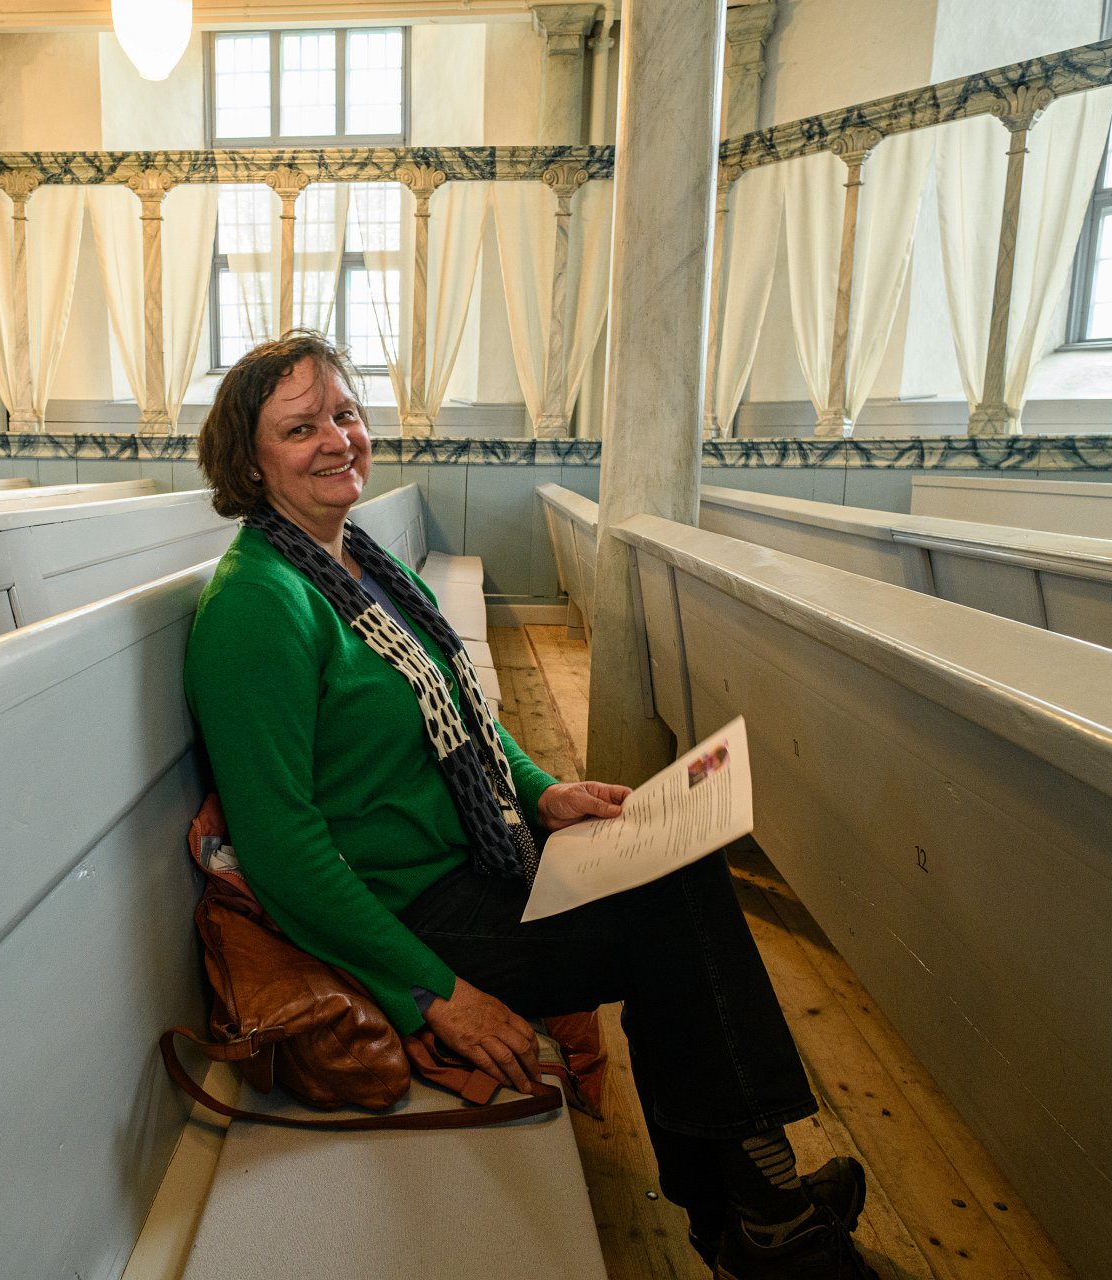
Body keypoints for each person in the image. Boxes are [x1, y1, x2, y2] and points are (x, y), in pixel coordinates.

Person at [184, 331, 878, 1280]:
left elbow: (461, 713)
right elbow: (282, 852)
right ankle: (762, 1215)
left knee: (680, 869)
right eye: (301, 428)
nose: (337, 440)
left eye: (345, 414)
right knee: (673, 924)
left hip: (475, 860)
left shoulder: (358, 566)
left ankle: (754, 1212)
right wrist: (437, 994)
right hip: (406, 915)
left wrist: (545, 793)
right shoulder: (258, 605)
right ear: (250, 461)